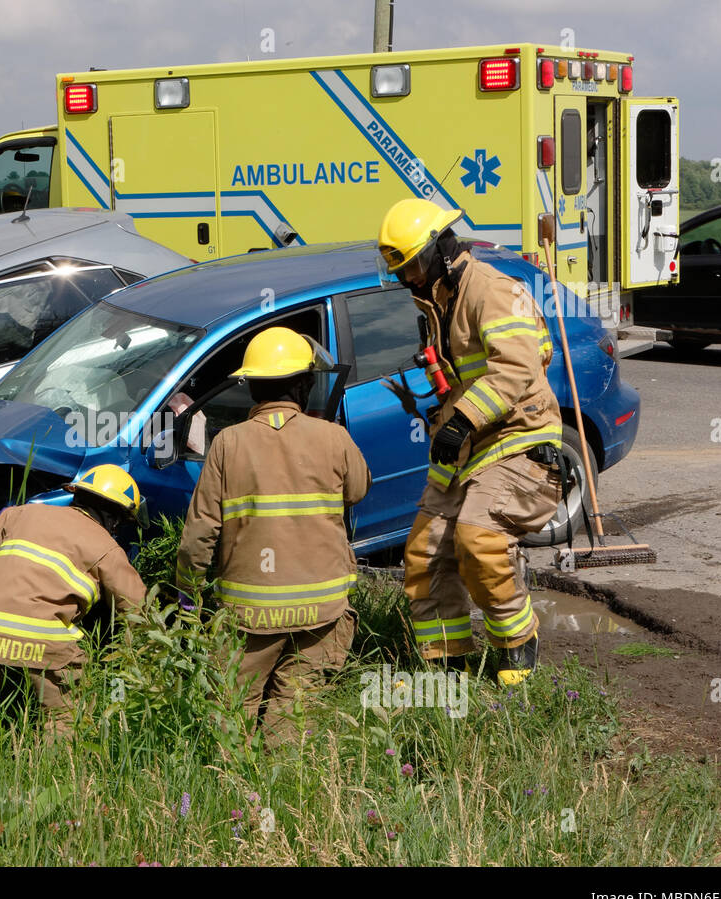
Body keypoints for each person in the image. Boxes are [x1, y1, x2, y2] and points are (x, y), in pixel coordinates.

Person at [377, 198, 562, 686]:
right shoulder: (439, 300)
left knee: (478, 540)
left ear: (441, 249)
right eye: (399, 269)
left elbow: (516, 368)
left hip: (518, 438)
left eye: (413, 264)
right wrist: (449, 424)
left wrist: (461, 420)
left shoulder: (492, 291)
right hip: (465, 444)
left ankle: (517, 643)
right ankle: (448, 667)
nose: (406, 278)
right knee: (423, 553)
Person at [176, 327, 370, 745]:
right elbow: (357, 490)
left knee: (233, 708)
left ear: (251, 390)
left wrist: (188, 597)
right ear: (305, 384)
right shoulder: (334, 438)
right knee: (295, 708)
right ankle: (283, 791)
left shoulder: (227, 444)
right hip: (322, 607)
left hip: (250, 614)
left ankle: (232, 794)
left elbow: (199, 533)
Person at [0, 464, 147, 738]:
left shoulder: (26, 513)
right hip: (42, 641)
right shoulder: (108, 549)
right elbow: (139, 613)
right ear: (115, 518)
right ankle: (56, 777)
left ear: (77, 495)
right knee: (66, 718)